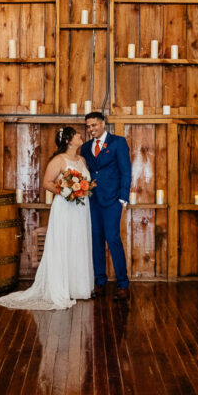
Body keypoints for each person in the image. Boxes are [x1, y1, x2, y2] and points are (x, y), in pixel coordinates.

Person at [0, 126, 94, 310]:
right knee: (63, 243)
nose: (81, 136)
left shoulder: (82, 159)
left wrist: (83, 189)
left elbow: (86, 182)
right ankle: (60, 287)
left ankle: (78, 287)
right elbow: (47, 183)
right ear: (68, 141)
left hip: (81, 209)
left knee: (78, 242)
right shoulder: (58, 160)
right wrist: (66, 191)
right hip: (65, 207)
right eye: (77, 134)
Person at [81, 111, 132, 300]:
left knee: (113, 239)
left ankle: (123, 284)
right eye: (88, 126)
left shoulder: (118, 142)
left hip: (112, 200)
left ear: (103, 123)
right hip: (92, 200)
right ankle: (100, 282)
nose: (90, 129)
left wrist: (123, 198)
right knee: (96, 241)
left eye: (93, 125)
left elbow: (126, 170)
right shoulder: (86, 147)